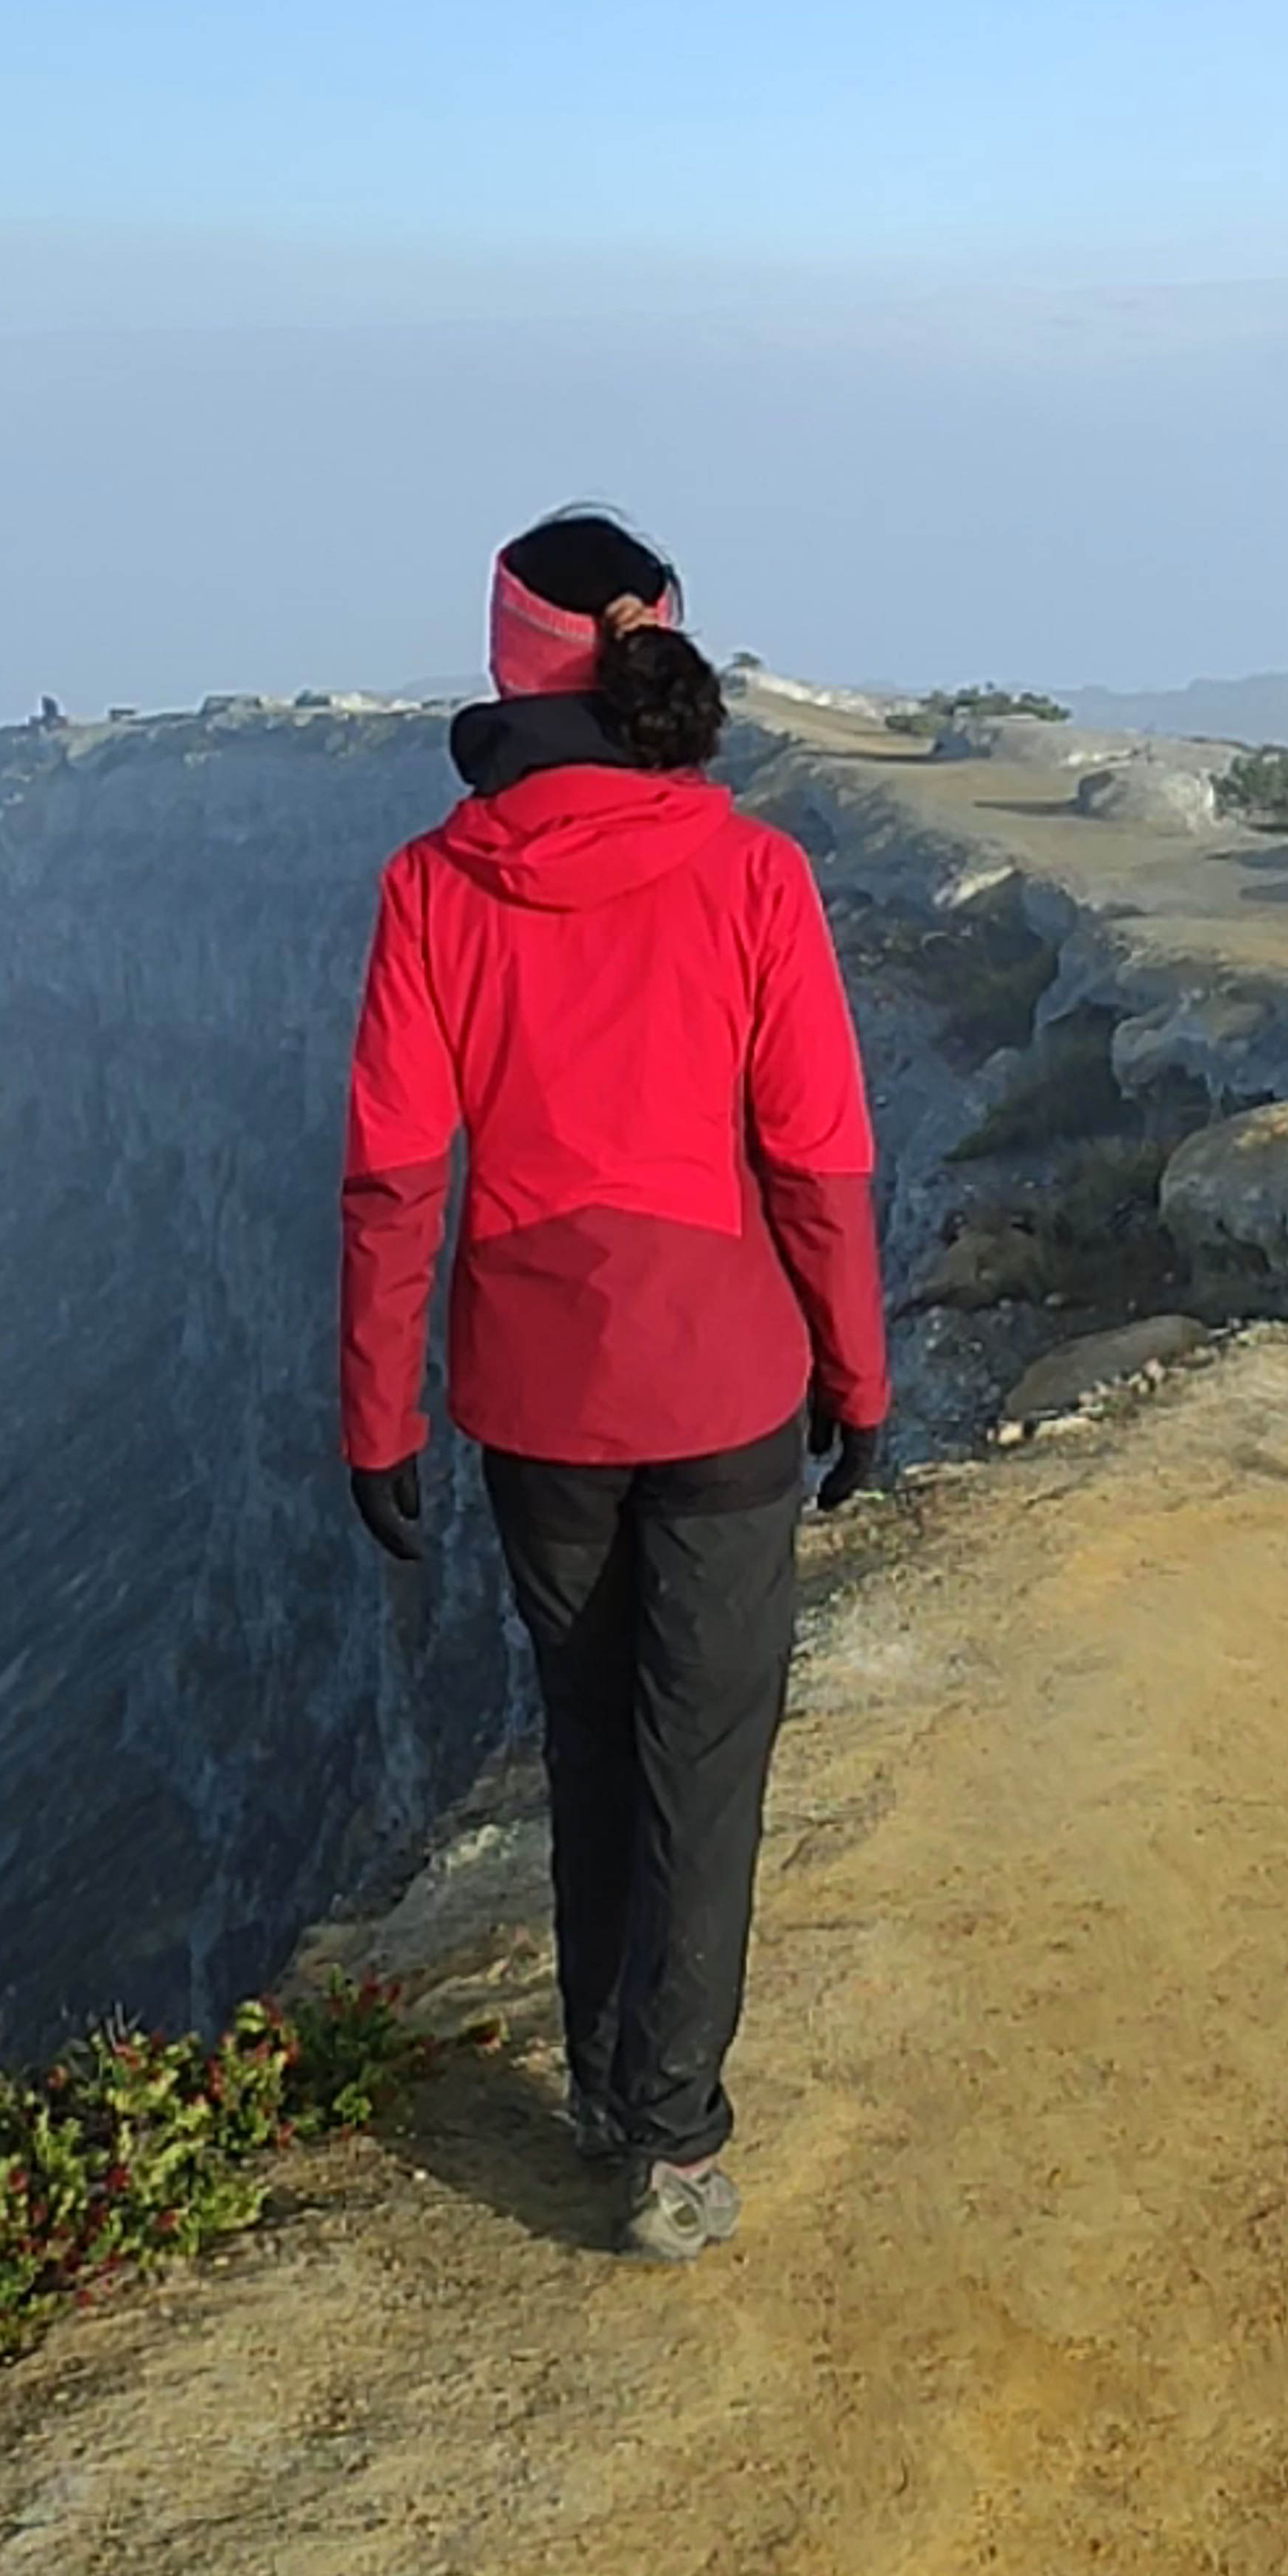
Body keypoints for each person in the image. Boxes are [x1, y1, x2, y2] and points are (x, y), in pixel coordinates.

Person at [339, 506, 889, 2263]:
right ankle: (669, 2140)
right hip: (726, 1379)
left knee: (584, 1741)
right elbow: (814, 1157)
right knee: (701, 1757)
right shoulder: (750, 877)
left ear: (510, 656)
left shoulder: (435, 888)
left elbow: (391, 1178)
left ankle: (601, 2085)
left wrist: (378, 1414)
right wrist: (855, 1374)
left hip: (532, 1399)